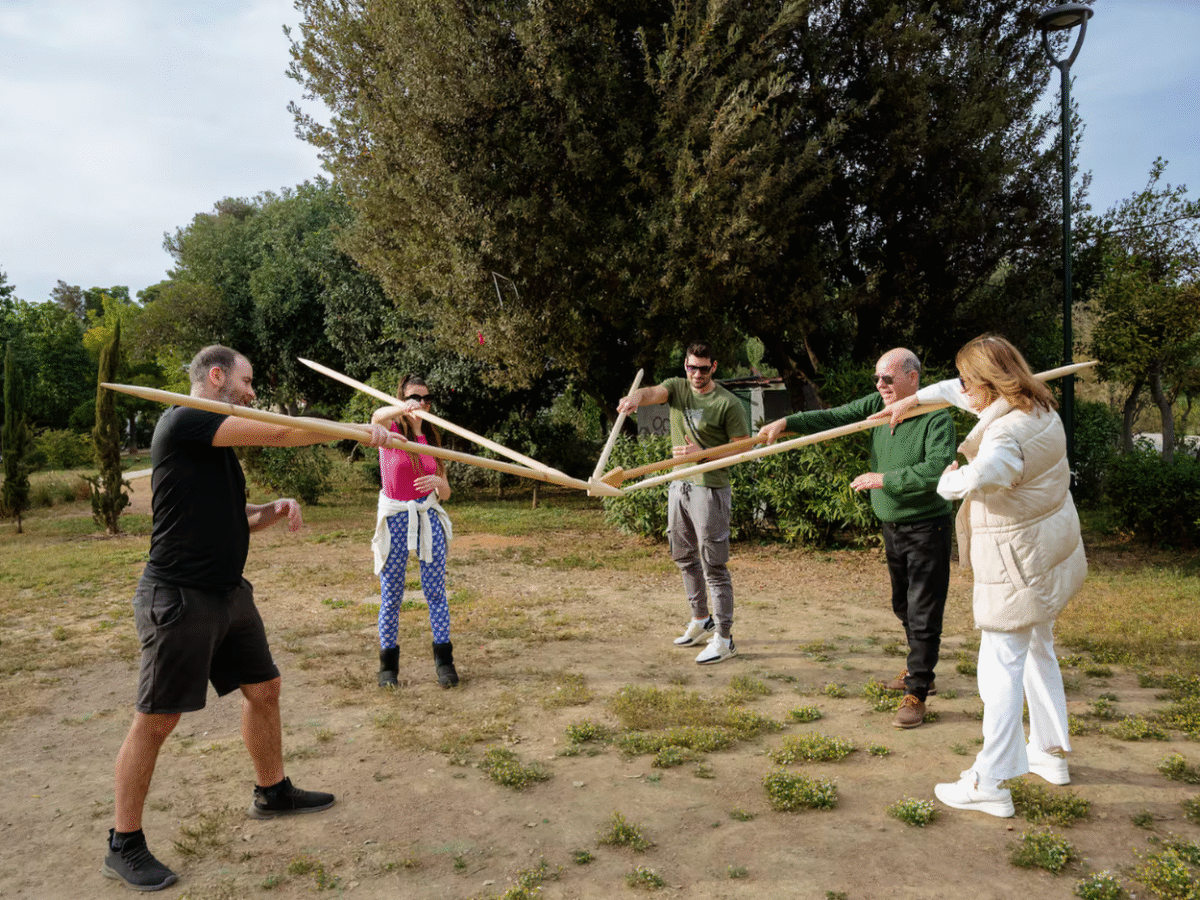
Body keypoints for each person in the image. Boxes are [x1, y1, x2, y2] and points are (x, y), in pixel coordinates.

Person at [104, 346, 390, 891]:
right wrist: (360, 428)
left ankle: (272, 791)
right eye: (247, 381)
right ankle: (124, 843)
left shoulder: (211, 441)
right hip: (179, 597)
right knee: (157, 719)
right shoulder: (185, 418)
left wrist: (270, 510)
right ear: (217, 377)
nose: (253, 393)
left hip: (228, 593)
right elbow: (283, 432)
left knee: (264, 689)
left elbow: (232, 515)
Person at [875, 334, 1086, 817]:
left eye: (971, 382)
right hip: (1045, 553)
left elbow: (984, 472)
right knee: (1037, 649)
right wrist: (913, 400)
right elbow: (952, 389)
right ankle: (1049, 754)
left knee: (1000, 666)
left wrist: (947, 479)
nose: (963, 390)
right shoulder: (1037, 408)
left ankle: (990, 781)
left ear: (989, 385)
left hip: (1017, 564)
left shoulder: (1006, 434)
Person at [759, 349, 956, 728]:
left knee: (923, 610)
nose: (880, 386)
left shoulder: (936, 415)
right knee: (903, 604)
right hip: (892, 526)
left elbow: (935, 471)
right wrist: (788, 421)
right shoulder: (879, 403)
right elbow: (834, 416)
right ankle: (916, 667)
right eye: (877, 379)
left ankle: (918, 689)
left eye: (888, 379)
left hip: (926, 527)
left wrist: (884, 479)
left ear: (913, 378)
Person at [617, 341, 750, 664]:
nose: (697, 374)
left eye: (704, 368)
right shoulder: (677, 388)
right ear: (685, 366)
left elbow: (744, 447)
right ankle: (701, 619)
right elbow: (654, 394)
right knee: (683, 555)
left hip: (710, 489)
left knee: (713, 564)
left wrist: (700, 454)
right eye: (692, 367)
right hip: (680, 486)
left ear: (714, 367)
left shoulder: (727, 403)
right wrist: (636, 398)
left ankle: (724, 638)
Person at [370, 375, 456, 688]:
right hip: (395, 518)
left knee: (435, 591)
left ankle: (444, 662)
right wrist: (399, 409)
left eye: (426, 398)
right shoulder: (390, 432)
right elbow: (375, 417)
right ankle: (387, 667)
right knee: (392, 595)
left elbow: (445, 491)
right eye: (414, 397)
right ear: (403, 399)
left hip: (428, 515)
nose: (420, 403)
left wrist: (440, 485)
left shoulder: (432, 438)